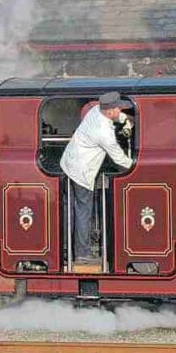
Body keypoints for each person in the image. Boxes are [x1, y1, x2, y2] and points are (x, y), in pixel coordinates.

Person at [60, 91, 134, 265]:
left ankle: (67, 249)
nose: (120, 110)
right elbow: (119, 159)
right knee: (83, 212)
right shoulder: (103, 132)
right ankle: (82, 253)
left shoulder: (96, 110)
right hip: (81, 172)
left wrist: (125, 120)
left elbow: (116, 115)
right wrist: (138, 168)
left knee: (70, 210)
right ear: (110, 111)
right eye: (118, 108)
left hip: (69, 164)